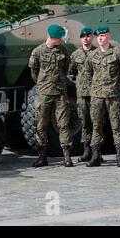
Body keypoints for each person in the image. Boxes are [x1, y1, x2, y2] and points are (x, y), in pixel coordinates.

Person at [84, 25, 120, 167]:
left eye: (103, 36)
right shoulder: (92, 55)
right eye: (98, 36)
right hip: (97, 96)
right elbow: (88, 74)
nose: (100, 39)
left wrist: (115, 86)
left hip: (113, 95)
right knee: (96, 125)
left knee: (116, 126)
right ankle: (96, 156)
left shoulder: (118, 53)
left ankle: (119, 156)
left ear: (108, 36)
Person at [29, 24, 72, 167]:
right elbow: (34, 73)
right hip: (44, 93)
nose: (61, 40)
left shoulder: (63, 50)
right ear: (53, 37)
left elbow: (65, 68)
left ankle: (67, 157)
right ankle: (42, 157)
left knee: (63, 124)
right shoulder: (38, 52)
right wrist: (43, 84)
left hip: (60, 93)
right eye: (60, 38)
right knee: (41, 124)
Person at [69, 27, 97, 163]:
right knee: (85, 122)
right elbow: (71, 72)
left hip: (96, 93)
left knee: (97, 123)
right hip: (82, 94)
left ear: (92, 37)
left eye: (88, 36)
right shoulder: (75, 55)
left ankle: (97, 152)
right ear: (80, 38)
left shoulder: (98, 53)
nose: (86, 38)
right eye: (83, 36)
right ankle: (86, 151)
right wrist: (79, 83)